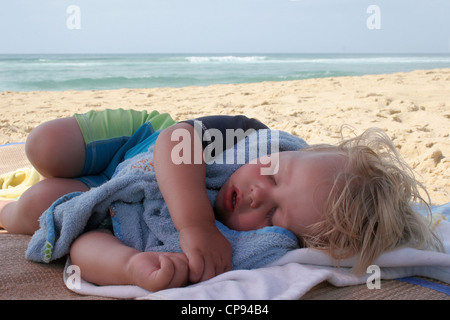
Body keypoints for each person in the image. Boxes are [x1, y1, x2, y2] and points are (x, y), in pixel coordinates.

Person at [0, 109, 442, 292]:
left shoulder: (248, 249)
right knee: (45, 146)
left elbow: (82, 246)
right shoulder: (252, 136)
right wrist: (196, 224)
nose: (255, 192)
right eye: (272, 174)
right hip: (133, 145)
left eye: (272, 214)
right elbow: (176, 140)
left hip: (108, 203)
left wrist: (131, 266)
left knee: (35, 209)